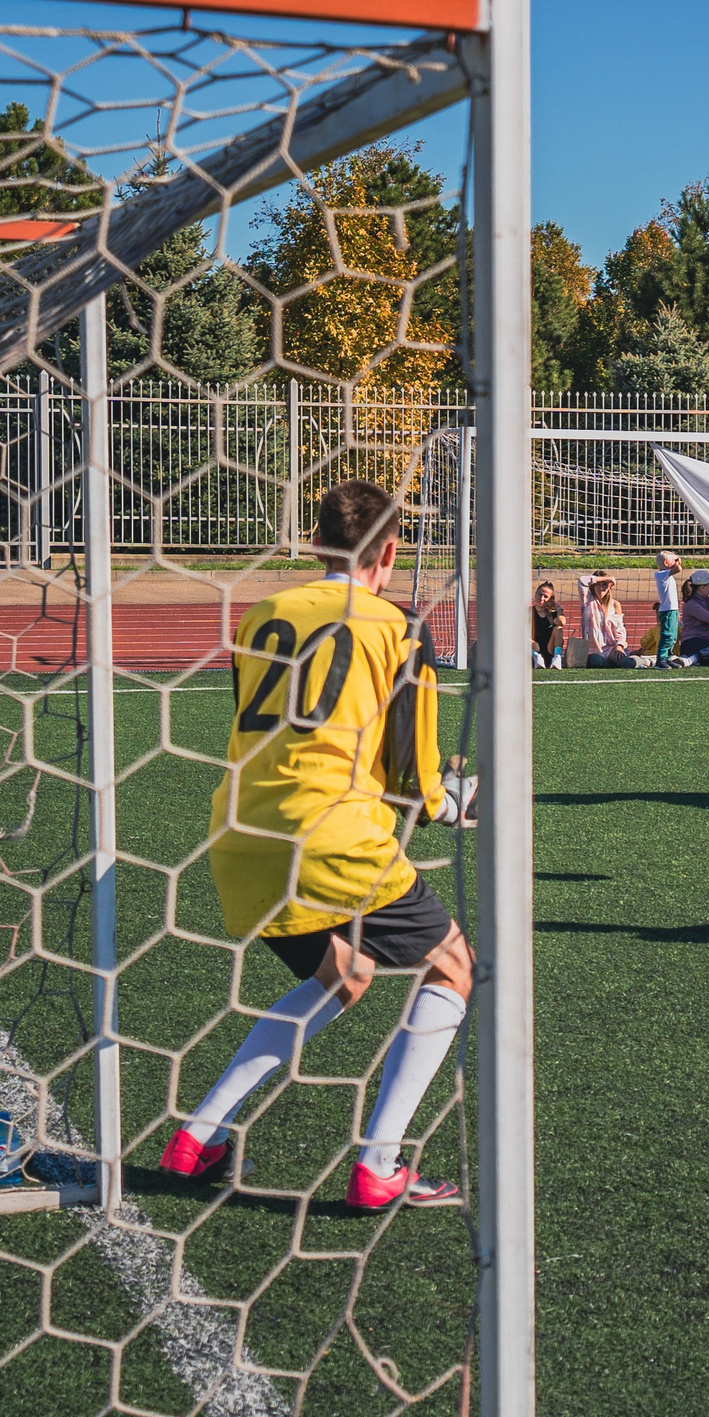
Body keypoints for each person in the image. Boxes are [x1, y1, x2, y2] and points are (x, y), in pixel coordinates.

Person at [167, 478, 476, 1211]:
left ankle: (198, 1136)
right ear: (389, 552)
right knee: (455, 965)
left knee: (347, 974)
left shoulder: (261, 615)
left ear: (316, 545)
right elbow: (415, 776)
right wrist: (453, 800)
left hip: (242, 834)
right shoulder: (398, 626)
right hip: (330, 833)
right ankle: (380, 1165)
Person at [580, 573, 639, 668]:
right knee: (596, 662)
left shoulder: (615, 605)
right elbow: (582, 580)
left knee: (628, 663)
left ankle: (646, 661)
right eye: (598, 585)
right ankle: (613, 663)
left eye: (604, 585)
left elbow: (620, 630)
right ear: (593, 586)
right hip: (592, 650)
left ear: (609, 586)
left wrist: (619, 646)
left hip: (610, 648)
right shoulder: (588, 600)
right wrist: (607, 578)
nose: (601, 588)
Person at [651, 550, 684, 669]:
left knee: (673, 636)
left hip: (673, 609)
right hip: (667, 610)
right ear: (666, 563)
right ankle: (661, 659)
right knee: (667, 635)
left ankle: (668, 657)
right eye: (673, 561)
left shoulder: (667, 575)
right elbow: (678, 569)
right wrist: (678, 563)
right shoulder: (660, 575)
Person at [530, 581, 565, 669]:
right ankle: (536, 656)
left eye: (546, 597)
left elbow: (561, 622)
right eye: (540, 594)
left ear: (550, 599)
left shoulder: (552, 614)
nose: (542, 598)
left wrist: (558, 608)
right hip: (533, 649)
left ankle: (557, 657)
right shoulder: (528, 612)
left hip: (549, 649)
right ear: (535, 594)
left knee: (558, 628)